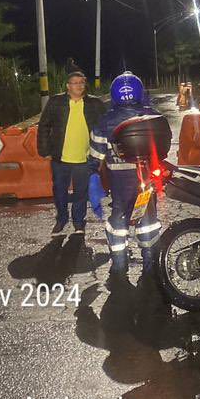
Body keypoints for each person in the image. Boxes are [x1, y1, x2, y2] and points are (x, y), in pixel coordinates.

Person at [86, 72, 161, 277]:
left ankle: (119, 265)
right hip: (146, 181)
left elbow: (94, 157)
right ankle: (150, 264)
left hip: (119, 184)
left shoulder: (104, 122)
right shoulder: (152, 116)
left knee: (118, 222)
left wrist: (93, 178)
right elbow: (161, 148)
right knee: (148, 222)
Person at [37, 70, 105, 235]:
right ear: (68, 86)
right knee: (59, 191)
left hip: (84, 158)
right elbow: (44, 125)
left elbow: (104, 128)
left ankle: (79, 222)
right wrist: (44, 150)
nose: (79, 86)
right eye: (75, 83)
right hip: (61, 158)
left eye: (81, 82)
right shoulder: (56, 102)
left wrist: (102, 154)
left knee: (81, 193)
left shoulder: (94, 104)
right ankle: (61, 219)